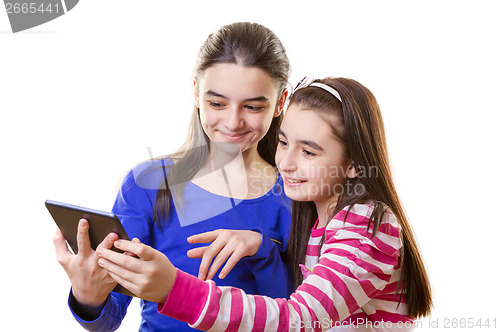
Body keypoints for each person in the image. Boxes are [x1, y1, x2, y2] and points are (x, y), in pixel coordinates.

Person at [95, 77, 433, 331]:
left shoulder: (365, 225)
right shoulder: (317, 219)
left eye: (309, 151)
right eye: (284, 142)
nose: (286, 162)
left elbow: (298, 319)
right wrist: (261, 247)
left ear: (353, 163)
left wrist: (175, 288)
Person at [53, 22, 295, 331]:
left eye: (252, 106)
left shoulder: (295, 196)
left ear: (281, 101)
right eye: (217, 103)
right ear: (196, 92)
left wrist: (263, 250)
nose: (233, 122)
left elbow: (301, 316)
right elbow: (108, 318)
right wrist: (88, 295)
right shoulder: (148, 186)